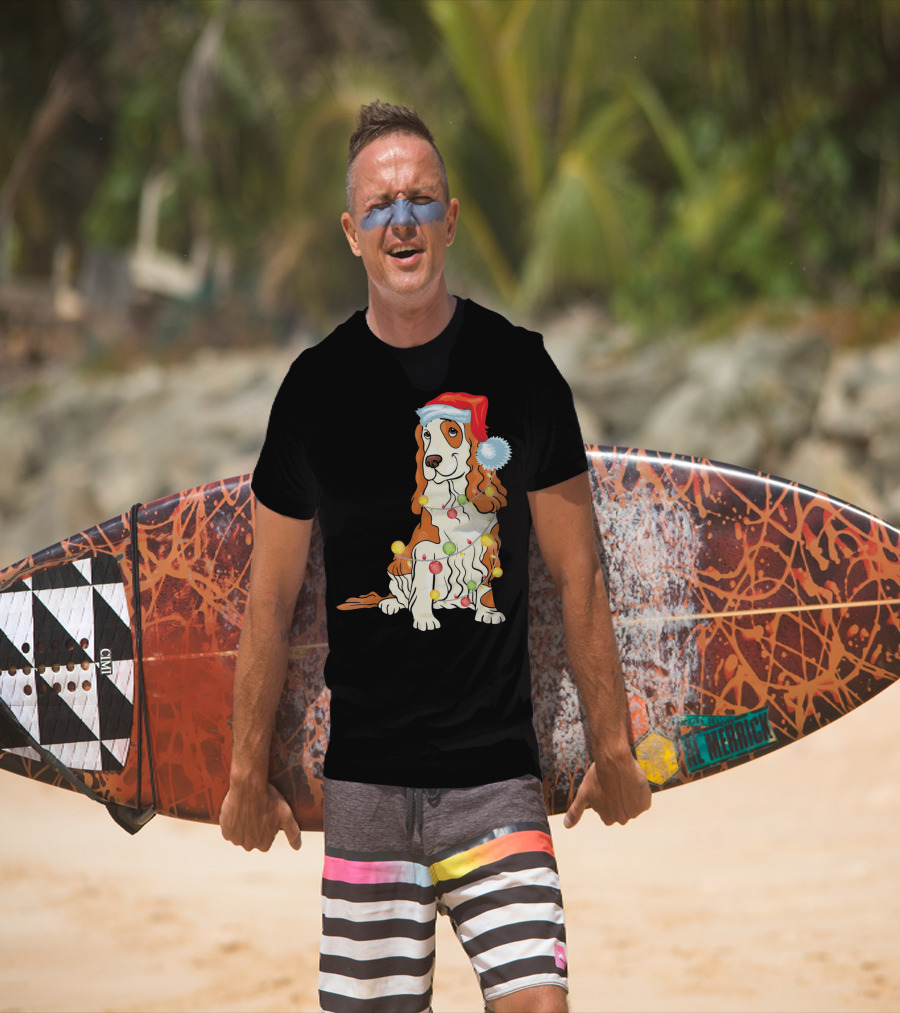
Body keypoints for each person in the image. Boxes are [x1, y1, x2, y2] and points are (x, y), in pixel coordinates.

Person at [220, 100, 651, 1013]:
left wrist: (612, 746)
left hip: (496, 780)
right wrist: (242, 772)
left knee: (540, 1003)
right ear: (351, 233)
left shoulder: (523, 371)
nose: (402, 220)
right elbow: (269, 601)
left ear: (451, 219)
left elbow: (580, 575)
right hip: (367, 788)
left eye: (421, 200)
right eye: (380, 206)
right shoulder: (313, 391)